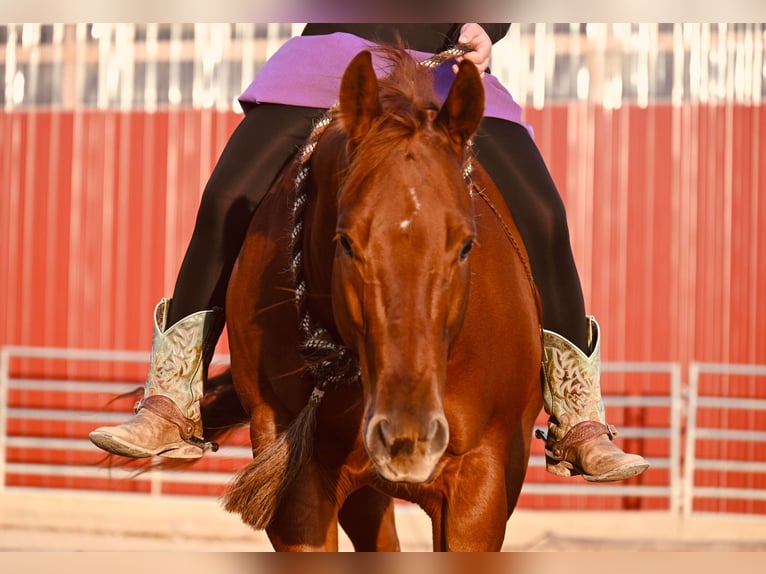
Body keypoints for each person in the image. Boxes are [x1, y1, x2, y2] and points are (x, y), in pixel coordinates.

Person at [90, 24, 648, 482]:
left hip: (443, 63)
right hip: (331, 58)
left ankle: (577, 414)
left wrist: (489, 26)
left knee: (546, 218)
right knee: (225, 199)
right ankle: (172, 396)